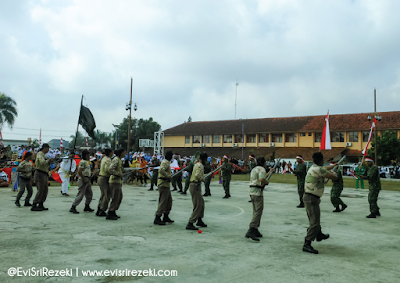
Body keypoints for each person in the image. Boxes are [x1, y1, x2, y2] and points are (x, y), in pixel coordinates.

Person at [302, 152, 337, 254]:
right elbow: (333, 177)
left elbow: (325, 169)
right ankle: (307, 243)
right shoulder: (318, 169)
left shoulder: (314, 168)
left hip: (310, 197)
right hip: (311, 198)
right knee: (314, 222)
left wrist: (332, 166)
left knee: (315, 218)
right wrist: (335, 172)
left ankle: (318, 234)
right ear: (321, 160)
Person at [245, 157, 274, 241]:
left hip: (252, 191)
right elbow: (262, 179)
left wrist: (269, 173)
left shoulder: (255, 169)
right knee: (258, 211)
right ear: (264, 163)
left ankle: (255, 229)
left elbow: (260, 177)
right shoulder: (262, 169)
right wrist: (267, 182)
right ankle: (251, 229)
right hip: (257, 192)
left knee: (255, 211)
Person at [186, 153, 208, 230]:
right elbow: (197, 176)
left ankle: (199, 220)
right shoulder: (200, 165)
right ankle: (191, 222)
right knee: (198, 205)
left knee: (201, 203)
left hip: (196, 185)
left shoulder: (197, 164)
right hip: (195, 185)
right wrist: (203, 178)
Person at [154, 150, 174, 225]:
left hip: (166, 184)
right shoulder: (165, 162)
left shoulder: (167, 162)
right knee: (163, 201)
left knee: (169, 201)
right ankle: (158, 217)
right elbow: (161, 170)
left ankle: (166, 216)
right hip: (163, 184)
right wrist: (168, 176)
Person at [31, 144, 53, 211]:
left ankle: (41, 203)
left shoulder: (44, 155)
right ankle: (35, 204)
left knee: (45, 190)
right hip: (39, 172)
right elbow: (42, 162)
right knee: (40, 189)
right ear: (45, 148)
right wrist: (48, 161)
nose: (48, 150)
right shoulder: (40, 154)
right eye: (48, 148)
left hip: (44, 173)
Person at [106, 148, 125, 220]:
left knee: (119, 197)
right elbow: (110, 169)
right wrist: (118, 174)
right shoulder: (116, 159)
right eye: (124, 152)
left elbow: (120, 169)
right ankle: (110, 212)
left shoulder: (119, 160)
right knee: (115, 197)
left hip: (118, 181)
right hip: (114, 181)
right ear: (121, 153)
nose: (125, 154)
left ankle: (113, 211)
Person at [96, 148, 113, 217]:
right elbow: (108, 169)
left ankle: (99, 208)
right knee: (107, 195)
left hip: (101, 177)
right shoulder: (108, 160)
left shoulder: (104, 158)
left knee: (103, 194)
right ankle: (102, 210)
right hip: (105, 178)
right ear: (109, 153)